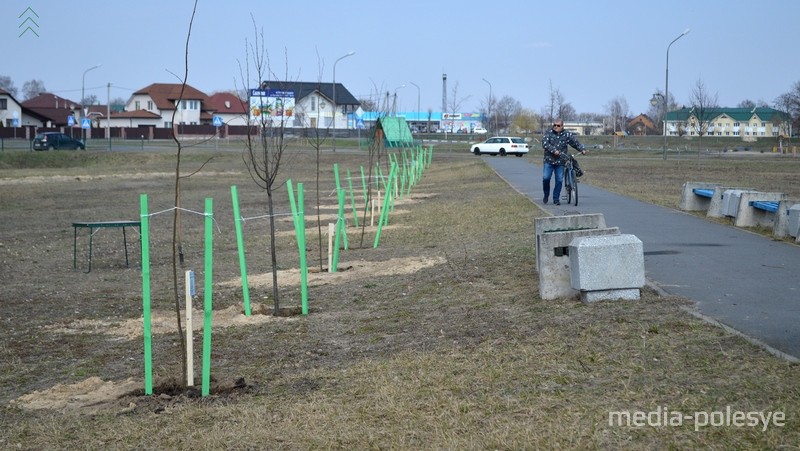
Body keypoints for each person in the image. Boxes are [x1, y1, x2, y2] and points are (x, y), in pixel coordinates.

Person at [541, 119, 587, 205]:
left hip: (560, 161)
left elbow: (575, 143)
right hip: (549, 161)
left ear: (562, 126)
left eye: (558, 125)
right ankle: (546, 194)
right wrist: (553, 150)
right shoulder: (548, 132)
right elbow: (545, 143)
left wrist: (582, 149)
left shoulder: (567, 134)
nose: (555, 127)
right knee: (546, 178)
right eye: (554, 125)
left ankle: (556, 199)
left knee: (559, 180)